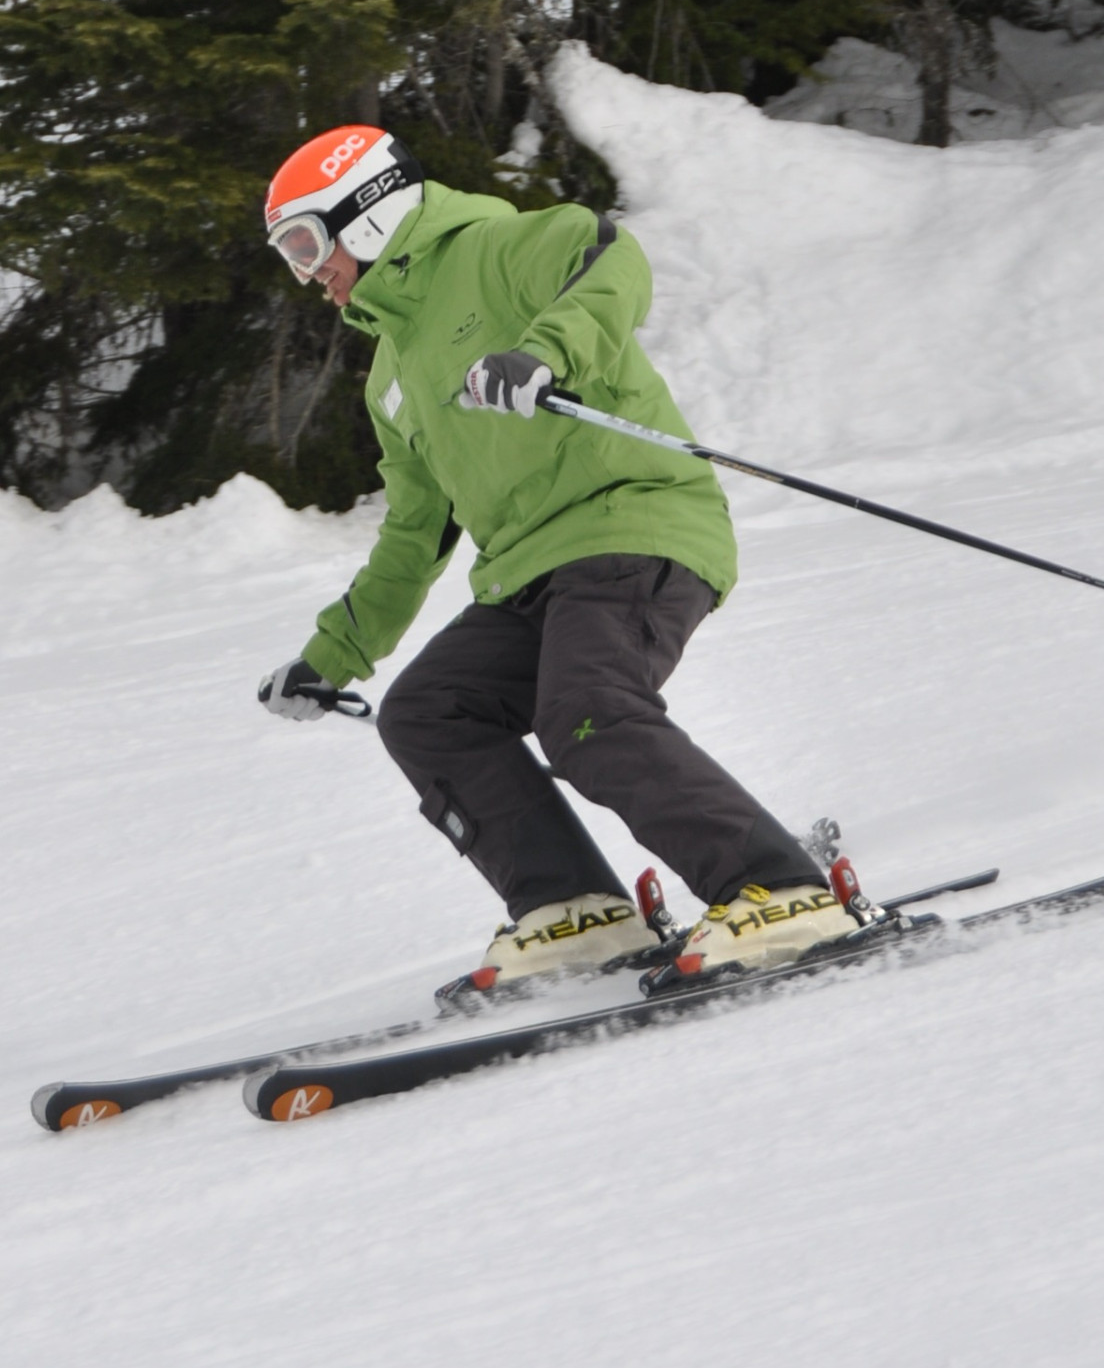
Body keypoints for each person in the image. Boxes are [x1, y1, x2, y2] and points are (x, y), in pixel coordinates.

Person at [254, 123, 855, 994]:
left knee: (587, 711)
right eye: (288, 255)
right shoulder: (390, 370)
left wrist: (542, 352)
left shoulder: (499, 248)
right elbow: (415, 533)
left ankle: (782, 890)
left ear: (370, 215)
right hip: (526, 573)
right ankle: (574, 910)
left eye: (307, 243)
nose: (307, 273)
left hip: (634, 523)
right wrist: (331, 655)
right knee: (427, 711)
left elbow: (612, 257)